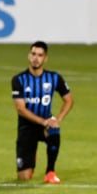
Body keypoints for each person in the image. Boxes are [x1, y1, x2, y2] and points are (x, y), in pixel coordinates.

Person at [12, 40, 74, 184]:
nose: (36, 58)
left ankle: (50, 172)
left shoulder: (54, 78)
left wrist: (57, 119)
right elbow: (20, 109)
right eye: (33, 54)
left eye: (40, 55)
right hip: (26, 127)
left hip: (45, 124)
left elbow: (69, 100)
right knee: (24, 177)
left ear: (45, 58)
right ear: (29, 56)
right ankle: (32, 154)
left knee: (54, 128)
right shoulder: (19, 79)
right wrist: (44, 121)